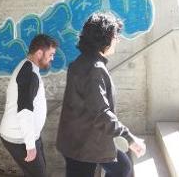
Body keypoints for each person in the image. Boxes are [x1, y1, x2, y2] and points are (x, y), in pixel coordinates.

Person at [56, 13, 145, 177]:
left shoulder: (82, 62)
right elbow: (101, 113)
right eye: (115, 36)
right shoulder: (94, 69)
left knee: (122, 167)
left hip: (83, 139)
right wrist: (129, 137)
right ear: (105, 38)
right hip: (83, 145)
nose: (117, 40)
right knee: (122, 168)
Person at [0, 34, 58, 177]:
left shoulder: (28, 67)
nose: (52, 58)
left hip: (25, 135)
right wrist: (30, 146)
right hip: (19, 138)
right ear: (39, 53)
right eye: (50, 54)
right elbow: (25, 111)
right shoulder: (29, 73)